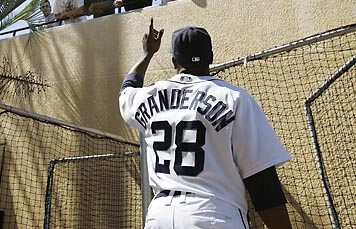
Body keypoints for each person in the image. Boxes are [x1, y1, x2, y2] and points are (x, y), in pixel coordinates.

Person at [119, 19, 292, 229]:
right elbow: (262, 181)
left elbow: (126, 89)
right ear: (210, 57)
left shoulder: (148, 95)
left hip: (160, 215)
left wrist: (147, 54)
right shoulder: (234, 98)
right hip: (214, 213)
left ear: (174, 61)